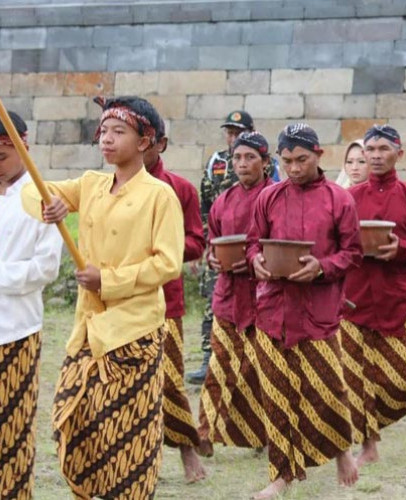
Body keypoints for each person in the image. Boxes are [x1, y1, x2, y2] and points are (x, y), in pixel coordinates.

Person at [22, 96, 184, 499]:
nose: (106, 140)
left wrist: (108, 280)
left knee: (128, 439)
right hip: (88, 330)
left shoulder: (159, 195)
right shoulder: (92, 184)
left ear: (145, 141)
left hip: (133, 333)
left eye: (119, 132)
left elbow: (167, 265)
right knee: (75, 423)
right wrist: (49, 203)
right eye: (104, 131)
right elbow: (33, 192)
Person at [247, 123, 362, 500]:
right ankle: (281, 478)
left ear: (319, 155)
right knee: (277, 397)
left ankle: (341, 450)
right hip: (272, 312)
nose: (294, 168)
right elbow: (253, 243)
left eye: (302, 160)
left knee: (327, 390)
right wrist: (257, 261)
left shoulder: (338, 199)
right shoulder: (268, 197)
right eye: (287, 161)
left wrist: (323, 267)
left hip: (318, 311)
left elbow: (352, 253)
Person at [340, 124, 406, 466]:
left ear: (399, 153)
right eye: (371, 150)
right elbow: (337, 246)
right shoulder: (349, 198)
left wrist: (400, 248)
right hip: (355, 299)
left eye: (384, 149)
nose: (376, 156)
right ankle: (368, 446)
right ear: (363, 154)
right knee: (357, 378)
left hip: (398, 297)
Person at [197, 131, 273, 457]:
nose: (242, 164)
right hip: (228, 296)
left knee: (258, 369)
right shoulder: (223, 200)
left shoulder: (276, 196)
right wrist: (213, 257)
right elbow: (212, 241)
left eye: (250, 158)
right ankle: (203, 432)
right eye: (237, 158)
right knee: (220, 365)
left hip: (265, 297)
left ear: (265, 162)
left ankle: (262, 434)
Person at [0, 111, 62, 500]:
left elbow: (46, 267)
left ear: (24, 145)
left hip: (17, 332)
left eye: (3, 155)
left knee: (12, 432)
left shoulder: (45, 200)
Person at [143, 112, 206, 482]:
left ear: (159, 144)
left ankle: (186, 449)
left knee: (168, 378)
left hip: (164, 300)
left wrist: (156, 249)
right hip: (117, 299)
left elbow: (196, 243)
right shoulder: (107, 187)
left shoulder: (180, 189)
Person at [188, 110, 255, 385]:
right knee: (213, 301)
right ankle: (209, 358)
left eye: (238, 132)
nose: (233, 137)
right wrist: (205, 242)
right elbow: (204, 203)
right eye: (229, 132)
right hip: (219, 243)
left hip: (251, 246)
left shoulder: (263, 161)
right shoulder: (216, 162)